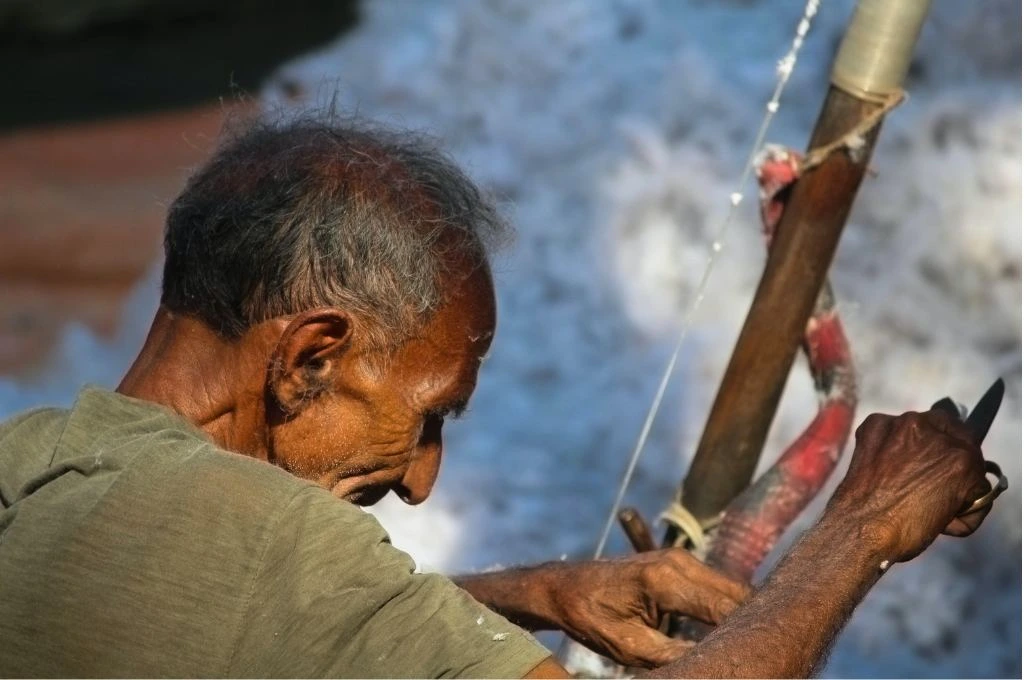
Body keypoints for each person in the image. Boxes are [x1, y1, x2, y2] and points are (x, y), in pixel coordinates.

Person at [0, 117, 995, 678]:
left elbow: (255, 623)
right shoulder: (262, 537)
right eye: (427, 415)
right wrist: (859, 527)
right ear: (306, 359)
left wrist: (526, 593)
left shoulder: (37, 465)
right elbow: (276, 578)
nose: (422, 481)